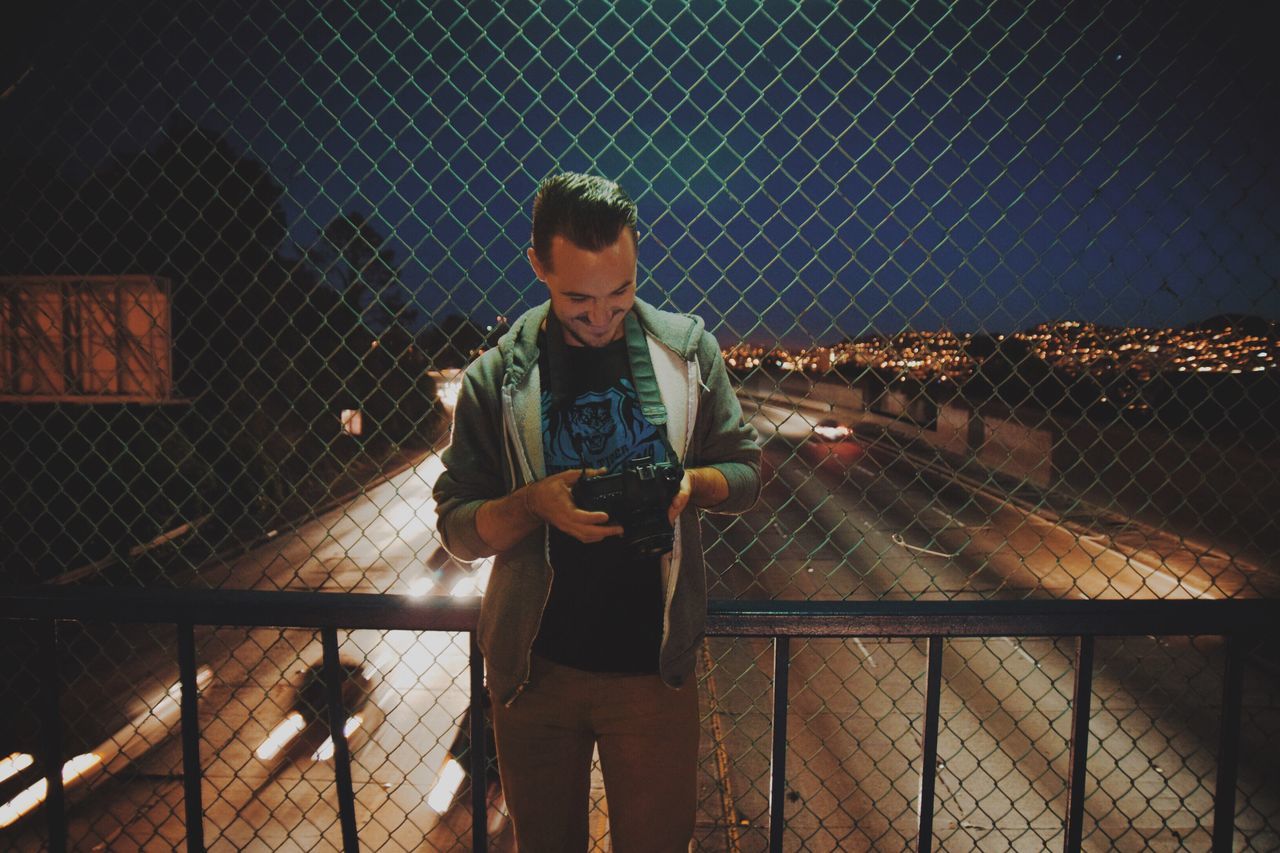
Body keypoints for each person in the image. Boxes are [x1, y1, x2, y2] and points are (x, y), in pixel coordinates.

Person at [433, 172, 761, 852]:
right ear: (538, 268)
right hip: (534, 674)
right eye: (578, 298)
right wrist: (533, 504)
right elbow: (457, 527)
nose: (603, 316)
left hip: (653, 673)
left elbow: (747, 473)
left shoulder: (688, 354)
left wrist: (687, 484)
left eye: (622, 292)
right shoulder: (497, 378)